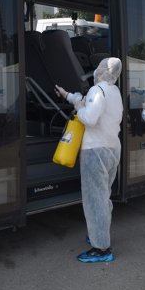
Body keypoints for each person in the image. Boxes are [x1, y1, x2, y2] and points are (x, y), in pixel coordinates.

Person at [55, 57, 123, 263]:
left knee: (95, 200)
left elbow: (89, 118)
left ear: (101, 71)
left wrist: (79, 109)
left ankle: (101, 248)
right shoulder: (114, 91)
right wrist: (68, 96)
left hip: (95, 151)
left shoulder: (97, 91)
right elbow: (87, 103)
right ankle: (99, 233)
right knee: (104, 197)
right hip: (112, 149)